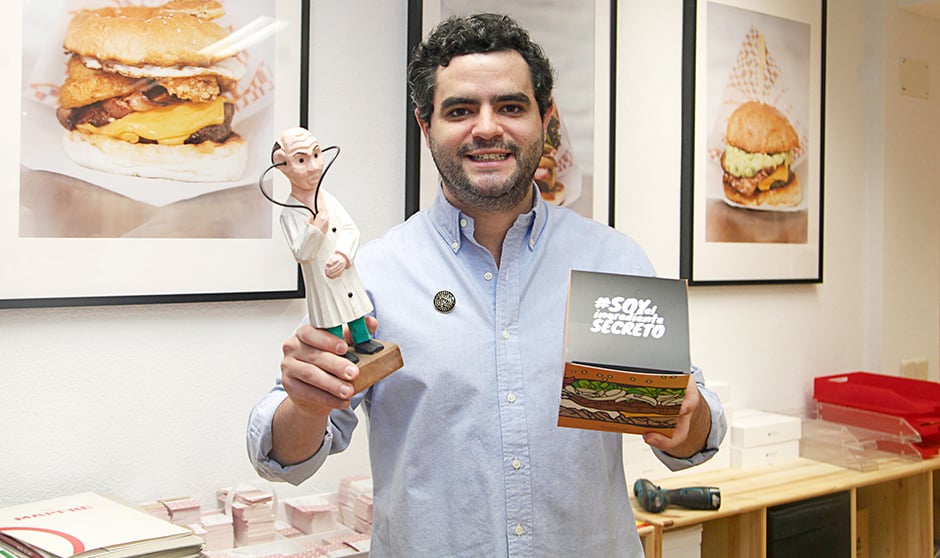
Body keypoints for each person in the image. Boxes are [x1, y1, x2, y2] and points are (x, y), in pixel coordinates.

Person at [248, 13, 726, 557]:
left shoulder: (613, 261)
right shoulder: (372, 274)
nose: (487, 128)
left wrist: (685, 418)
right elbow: (282, 457)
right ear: (425, 125)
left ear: (545, 119)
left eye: (511, 107)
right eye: (460, 110)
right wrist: (307, 405)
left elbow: (691, 440)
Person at [272, 127, 383, 362]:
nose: (313, 166)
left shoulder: (329, 199)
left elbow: (351, 229)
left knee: (354, 309)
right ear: (282, 164)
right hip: (321, 280)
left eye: (316, 155)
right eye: (301, 160)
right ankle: (338, 348)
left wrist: (343, 255)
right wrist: (315, 230)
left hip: (344, 272)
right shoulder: (289, 215)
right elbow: (300, 253)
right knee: (330, 313)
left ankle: (362, 340)